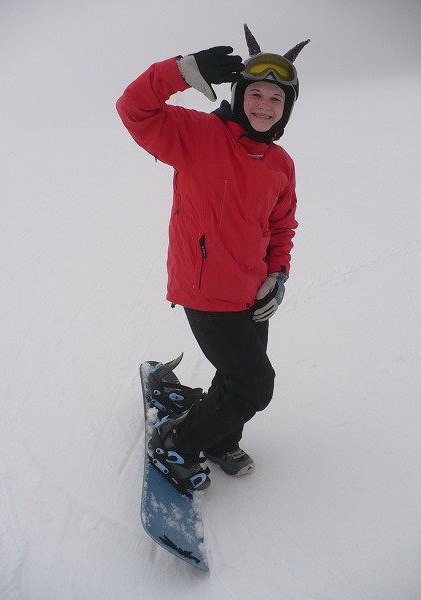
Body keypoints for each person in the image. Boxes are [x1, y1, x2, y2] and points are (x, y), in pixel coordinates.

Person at [117, 25, 309, 491]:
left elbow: (281, 226)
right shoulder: (199, 135)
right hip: (205, 291)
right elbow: (134, 109)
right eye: (255, 93)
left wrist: (278, 274)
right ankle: (176, 443)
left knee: (235, 373)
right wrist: (182, 72)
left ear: (286, 109)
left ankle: (221, 438)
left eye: (276, 99)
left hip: (252, 292)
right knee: (253, 384)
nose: (264, 105)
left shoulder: (280, 163)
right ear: (239, 94)